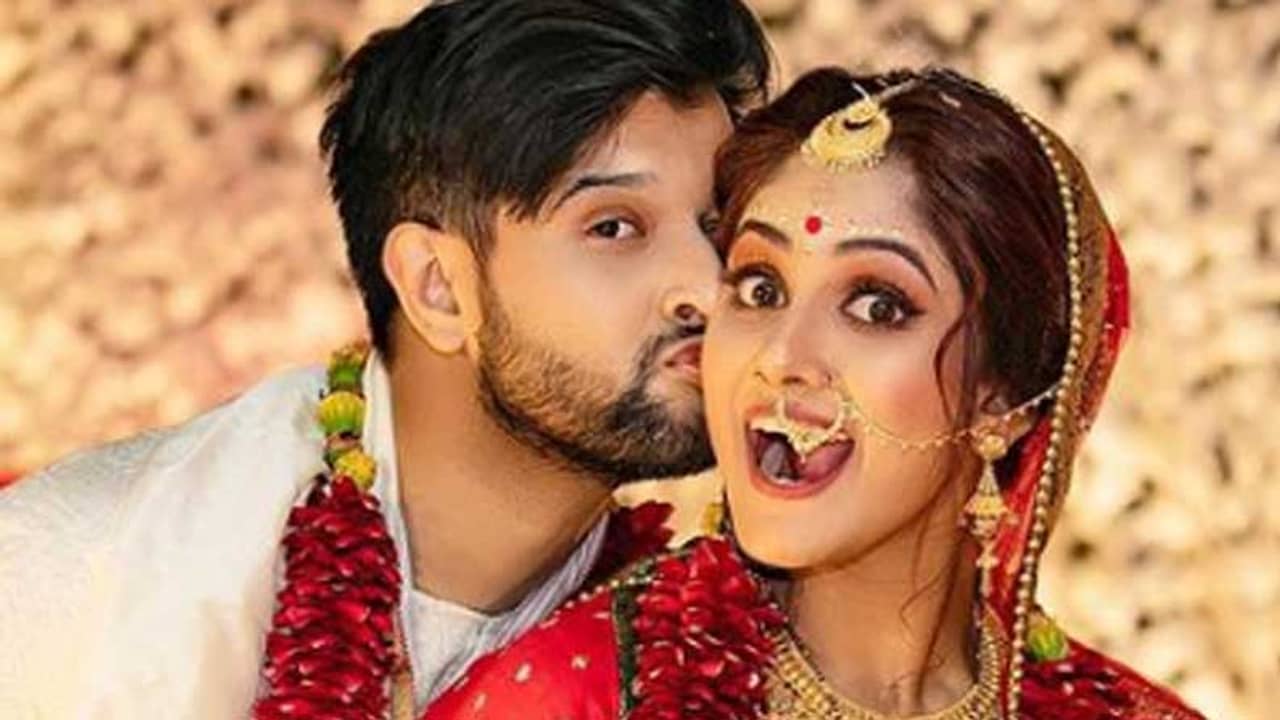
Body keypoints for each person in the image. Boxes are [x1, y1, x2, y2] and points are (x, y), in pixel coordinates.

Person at [0, 2, 770, 717]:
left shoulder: (702, 640)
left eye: (718, 226)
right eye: (614, 227)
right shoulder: (79, 578)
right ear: (438, 287)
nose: (709, 287)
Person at [418, 67, 1206, 720]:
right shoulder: (574, 696)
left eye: (876, 306)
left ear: (1003, 402)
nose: (782, 357)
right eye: (759, 288)